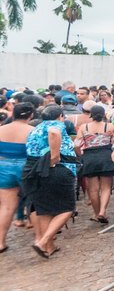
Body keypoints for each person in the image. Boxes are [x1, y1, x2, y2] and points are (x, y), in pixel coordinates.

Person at [22, 105, 78, 259]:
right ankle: (43, 241)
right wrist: (55, 157)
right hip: (56, 169)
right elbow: (54, 132)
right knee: (67, 208)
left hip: (35, 169)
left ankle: (49, 247)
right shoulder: (55, 125)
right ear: (60, 116)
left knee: (45, 209)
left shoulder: (35, 128)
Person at [0, 103, 35, 252]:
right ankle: (40, 237)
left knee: (7, 206)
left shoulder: (1, 129)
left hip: (4, 165)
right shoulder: (33, 131)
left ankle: (0, 242)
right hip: (26, 166)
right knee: (33, 202)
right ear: (31, 115)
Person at [75, 105, 114, 223]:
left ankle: (96, 212)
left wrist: (81, 155)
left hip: (89, 157)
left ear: (91, 114)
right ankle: (103, 211)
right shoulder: (109, 126)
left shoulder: (84, 127)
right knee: (106, 187)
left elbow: (77, 144)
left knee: (93, 189)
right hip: (106, 156)